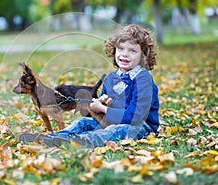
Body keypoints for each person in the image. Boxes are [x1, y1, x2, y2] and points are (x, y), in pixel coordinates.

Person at [19, 24, 160, 148]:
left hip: (140, 126)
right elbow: (105, 116)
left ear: (144, 56)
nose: (125, 54)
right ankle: (54, 138)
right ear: (114, 50)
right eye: (121, 48)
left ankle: (79, 142)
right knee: (82, 122)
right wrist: (98, 105)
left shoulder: (143, 79)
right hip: (112, 123)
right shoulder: (112, 78)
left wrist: (104, 109)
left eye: (132, 51)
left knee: (116, 131)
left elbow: (135, 117)